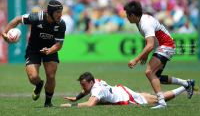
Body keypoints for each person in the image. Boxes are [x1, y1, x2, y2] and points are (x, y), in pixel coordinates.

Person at [123, 0, 196, 108]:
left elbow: (150, 45)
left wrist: (136, 59)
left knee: (149, 72)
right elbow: (150, 41)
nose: (127, 18)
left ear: (132, 15)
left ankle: (162, 102)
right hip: (163, 46)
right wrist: (146, 55)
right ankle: (187, 83)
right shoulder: (141, 21)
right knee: (157, 77)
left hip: (166, 46)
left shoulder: (145, 23)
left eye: (127, 15)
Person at [2, 0, 66, 108]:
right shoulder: (36, 17)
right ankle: (39, 84)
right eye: (58, 12)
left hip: (50, 50)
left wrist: (49, 50)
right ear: (50, 12)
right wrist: (5, 32)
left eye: (61, 12)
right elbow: (18, 19)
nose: (61, 14)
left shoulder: (61, 24)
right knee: (33, 77)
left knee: (51, 75)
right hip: (33, 49)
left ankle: (48, 103)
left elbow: (59, 44)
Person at [60, 72, 197, 107]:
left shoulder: (96, 91)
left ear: (91, 82)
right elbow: (87, 90)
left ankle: (185, 86)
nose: (82, 87)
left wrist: (71, 105)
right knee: (154, 97)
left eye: (83, 84)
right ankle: (187, 84)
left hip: (126, 98)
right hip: (122, 90)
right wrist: (77, 97)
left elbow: (90, 104)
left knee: (157, 98)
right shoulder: (97, 81)